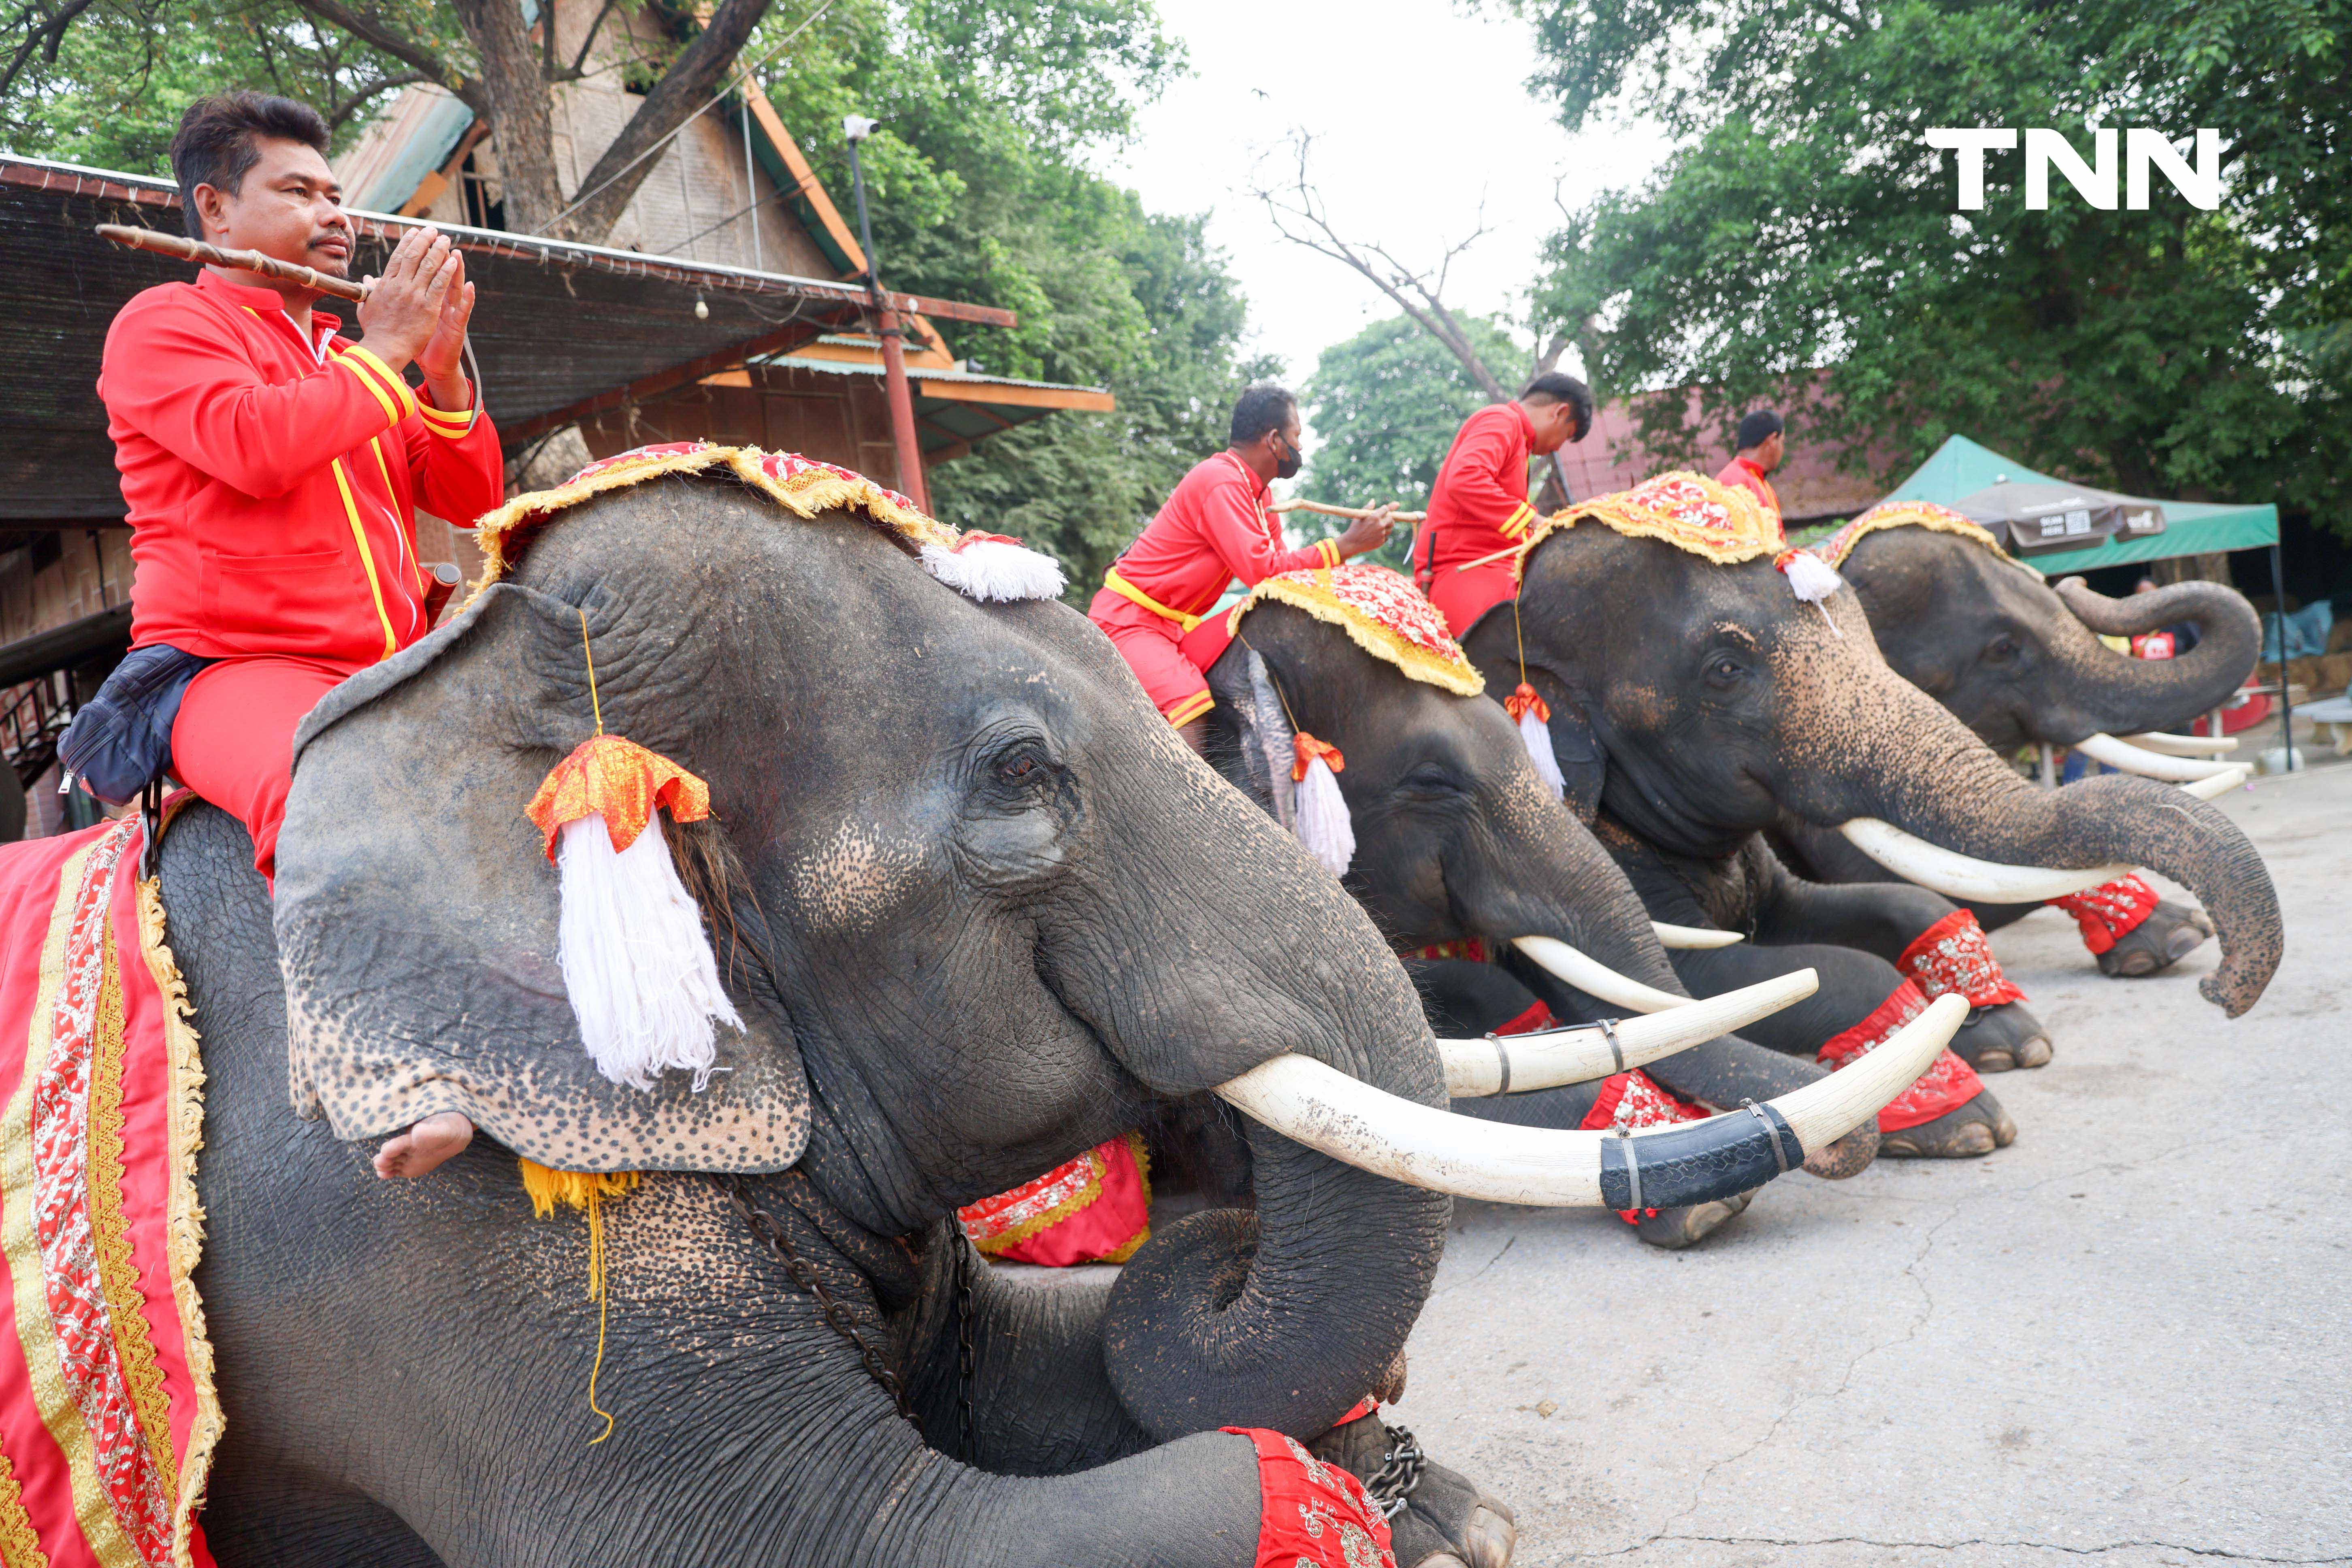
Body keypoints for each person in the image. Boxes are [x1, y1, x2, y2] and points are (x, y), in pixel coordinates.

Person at [97, 92, 503, 1180]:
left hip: (394, 666)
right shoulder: (164, 326)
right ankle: (387, 1075)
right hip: (225, 668)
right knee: (322, 775)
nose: (337, 215)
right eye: (299, 192)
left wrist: (445, 370)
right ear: (217, 213)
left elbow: (467, 494)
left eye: (338, 193)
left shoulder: (345, 347)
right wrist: (385, 354)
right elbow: (255, 448)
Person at [1089, 383, 1395, 751]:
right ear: (1274, 440)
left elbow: (1284, 578)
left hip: (1178, 627)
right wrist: (1345, 546)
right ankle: (1186, 806)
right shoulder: (1220, 481)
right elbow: (1264, 572)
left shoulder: (1261, 495)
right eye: (1297, 436)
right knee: (1187, 701)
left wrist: (1345, 557)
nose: (1301, 447)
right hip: (1129, 621)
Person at [1410, 373, 1593, 637]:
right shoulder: (1501, 420)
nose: (1557, 447)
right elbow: (1465, 478)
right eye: (1566, 436)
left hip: (1492, 571)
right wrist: (1535, 521)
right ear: (1559, 412)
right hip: (1466, 571)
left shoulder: (1518, 439)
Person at [1716, 409, 1785, 533]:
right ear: (1772, 441)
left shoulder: (1759, 481)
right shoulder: (1733, 481)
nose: (1782, 449)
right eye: (1782, 442)